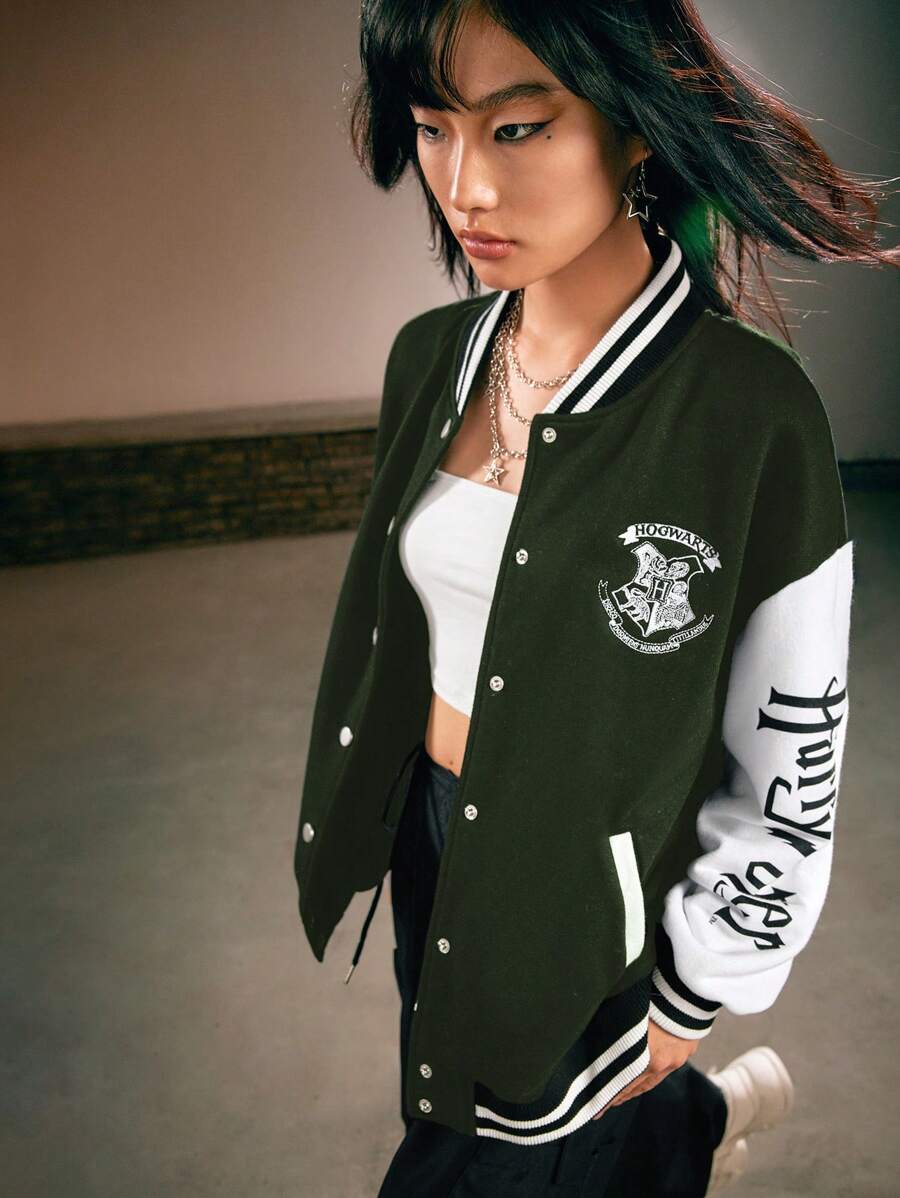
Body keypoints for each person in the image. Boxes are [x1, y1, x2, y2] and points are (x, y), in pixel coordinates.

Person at [293, 2, 898, 1195]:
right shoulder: (432, 357)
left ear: (635, 126)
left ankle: (682, 1115)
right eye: (433, 129)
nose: (465, 187)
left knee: (485, 1156)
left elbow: (792, 740)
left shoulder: (748, 412)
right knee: (484, 1093)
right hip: (433, 832)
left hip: (598, 889)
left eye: (517, 128)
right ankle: (694, 1124)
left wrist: (700, 982)